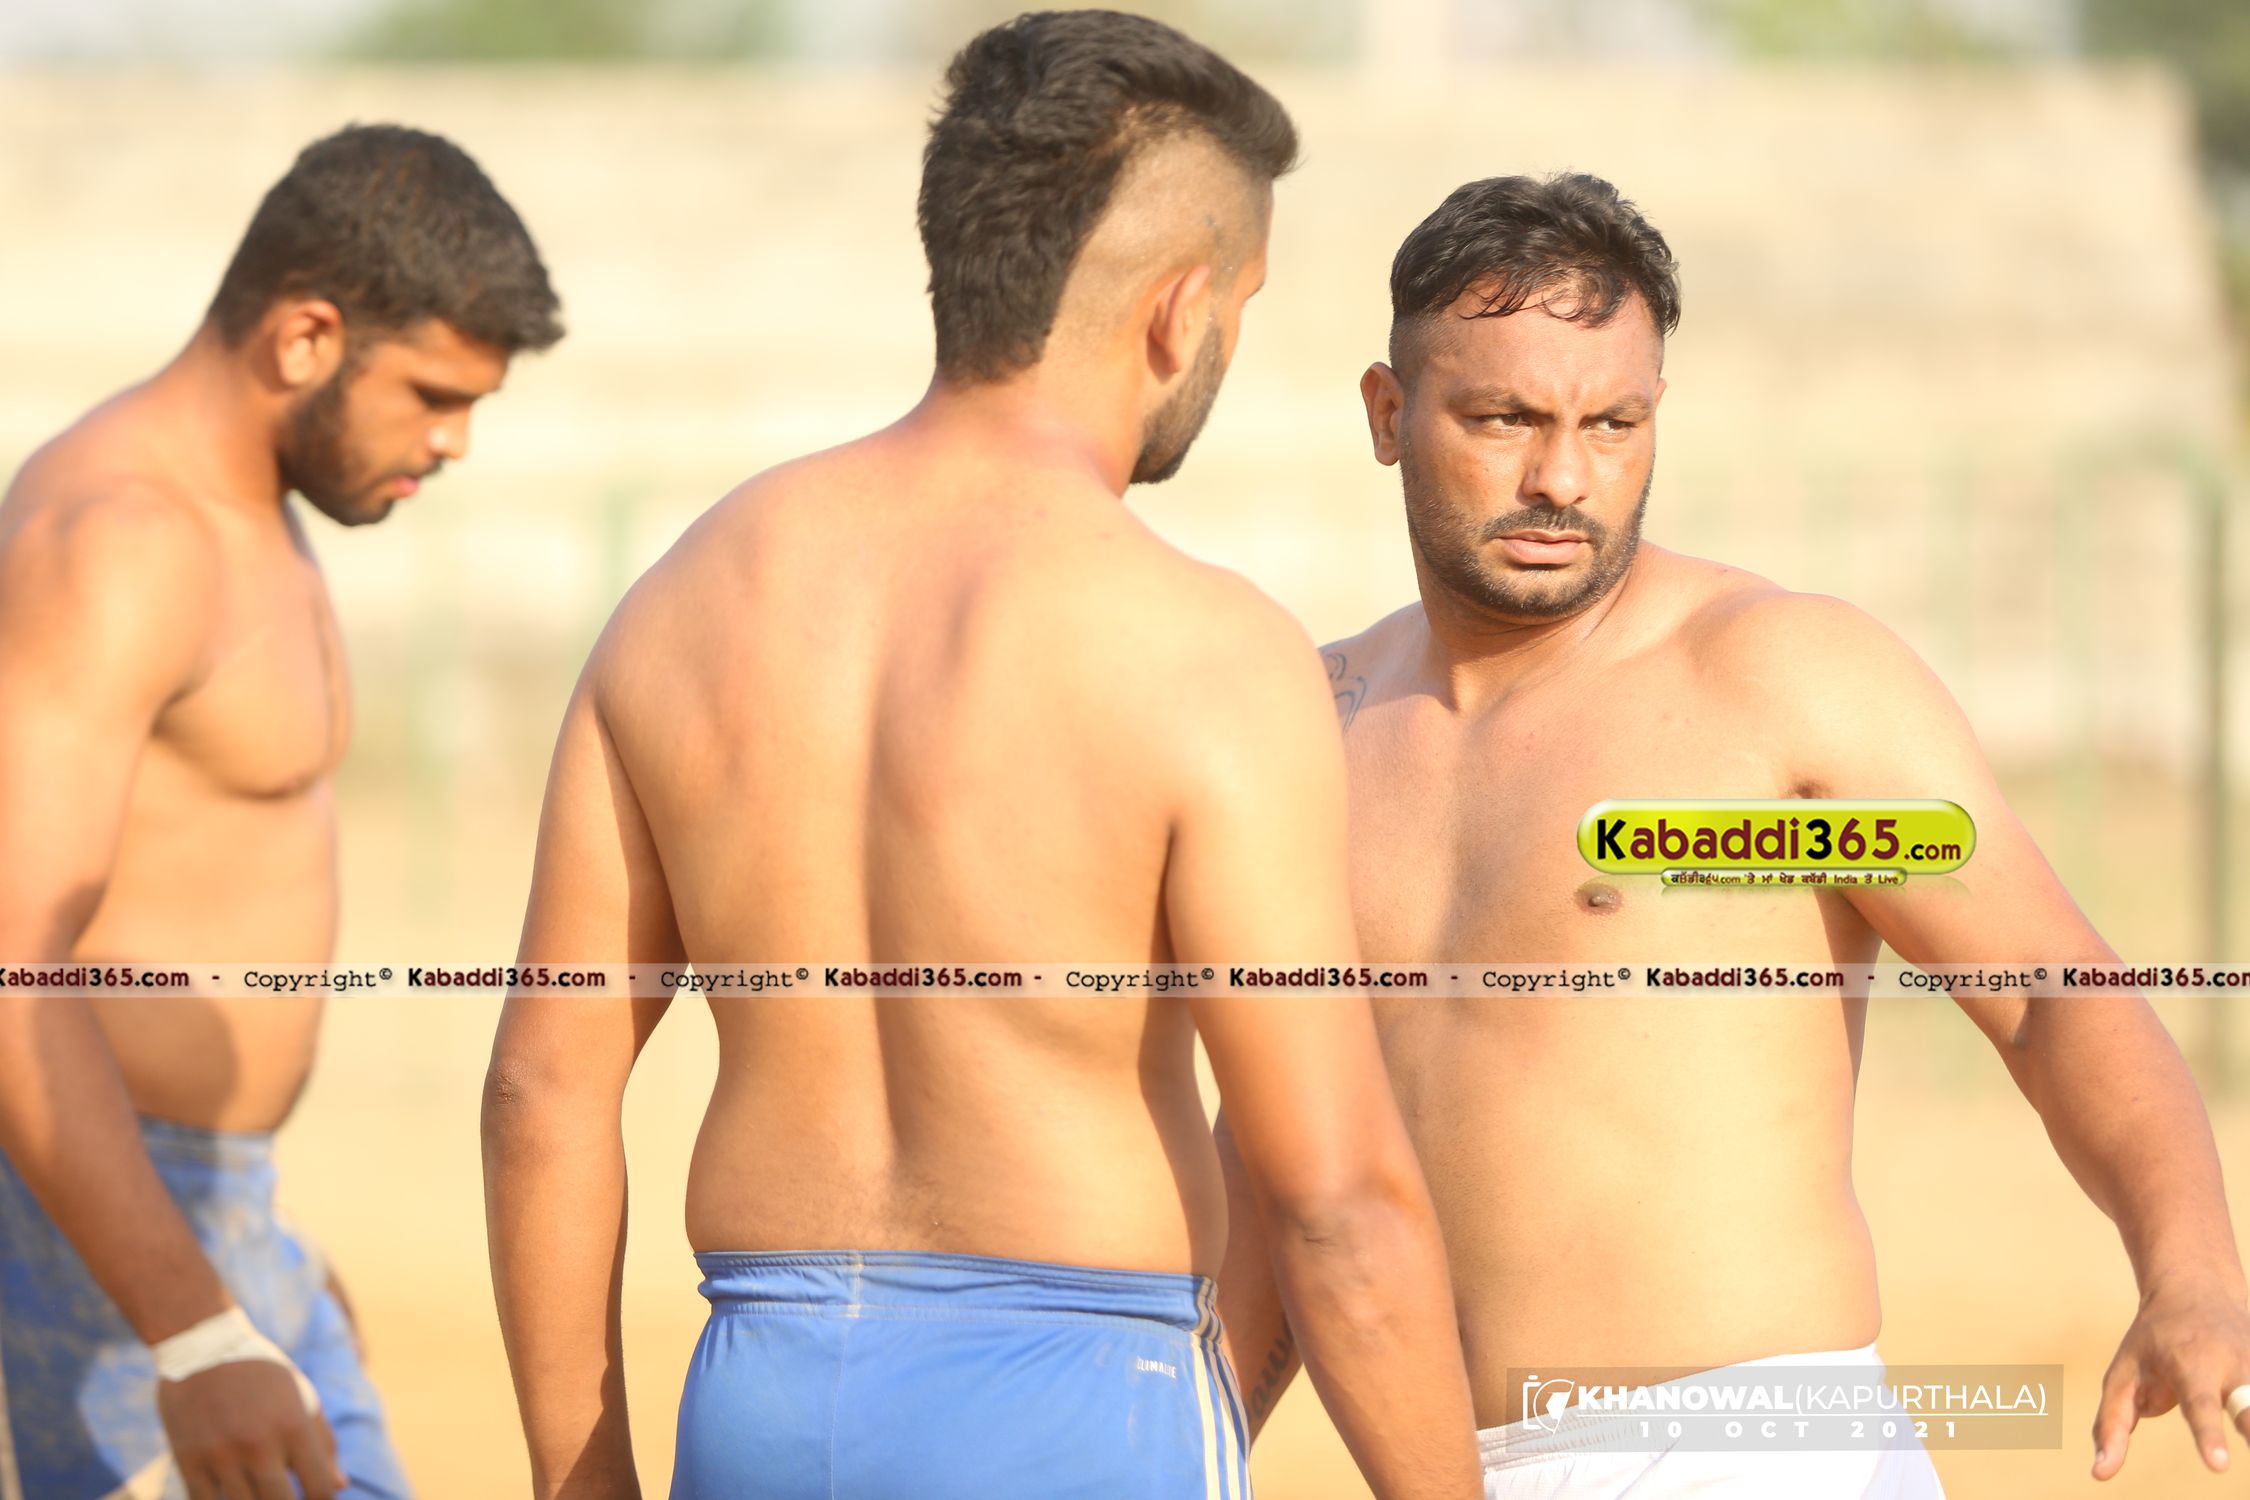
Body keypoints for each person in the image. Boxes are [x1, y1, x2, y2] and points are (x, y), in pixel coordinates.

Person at [483, 12, 1479, 1500]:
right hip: (1073, 1405)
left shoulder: (683, 601)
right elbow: (1333, 1201)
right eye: (1242, 306)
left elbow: (540, 1092)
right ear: (1178, 311)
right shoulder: (1204, 653)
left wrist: (587, 1487)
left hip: (759, 1394)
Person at [1217, 170, 2250, 1498]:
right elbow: (1277, 1166)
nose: (1561, 477)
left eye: (1613, 423)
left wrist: (2192, 1270)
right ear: (1386, 413)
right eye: (1503, 418)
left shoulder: (1777, 683)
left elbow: (2050, 998)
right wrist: (1186, 1455)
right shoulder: (1319, 727)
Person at [0, 123, 562, 1500]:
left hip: (209, 1214)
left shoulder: (253, 509)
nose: (454, 440)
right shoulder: (124, 539)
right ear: (306, 336)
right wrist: (190, 1326)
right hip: (98, 1245)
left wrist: (258, 1256)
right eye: (432, 394)